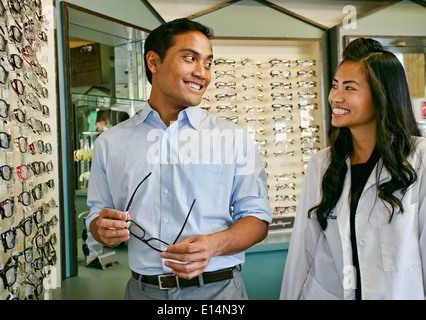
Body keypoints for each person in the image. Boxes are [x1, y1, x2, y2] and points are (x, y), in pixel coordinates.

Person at [86, 18, 271, 300]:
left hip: (219, 292)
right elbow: (95, 216)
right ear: (153, 61)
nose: (202, 73)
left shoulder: (234, 139)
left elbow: (257, 219)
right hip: (142, 291)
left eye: (208, 63)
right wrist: (102, 229)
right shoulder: (109, 143)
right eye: (190, 58)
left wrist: (214, 245)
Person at [280, 38, 426, 300]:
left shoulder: (420, 159)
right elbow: (303, 252)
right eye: (335, 86)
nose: (335, 96)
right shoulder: (322, 164)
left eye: (350, 88)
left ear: (382, 95)